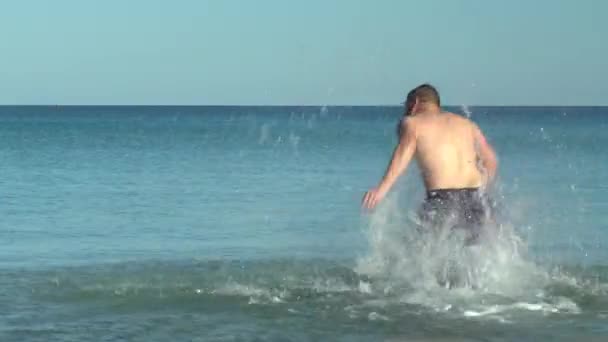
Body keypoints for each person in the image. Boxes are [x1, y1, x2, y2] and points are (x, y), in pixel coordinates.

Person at [362, 84, 498, 243]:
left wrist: (381, 190)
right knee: (476, 255)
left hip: (443, 200)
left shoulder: (412, 123)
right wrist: (484, 190)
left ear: (415, 103)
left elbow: (402, 155)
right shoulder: (468, 125)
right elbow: (491, 160)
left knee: (415, 251)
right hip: (477, 200)